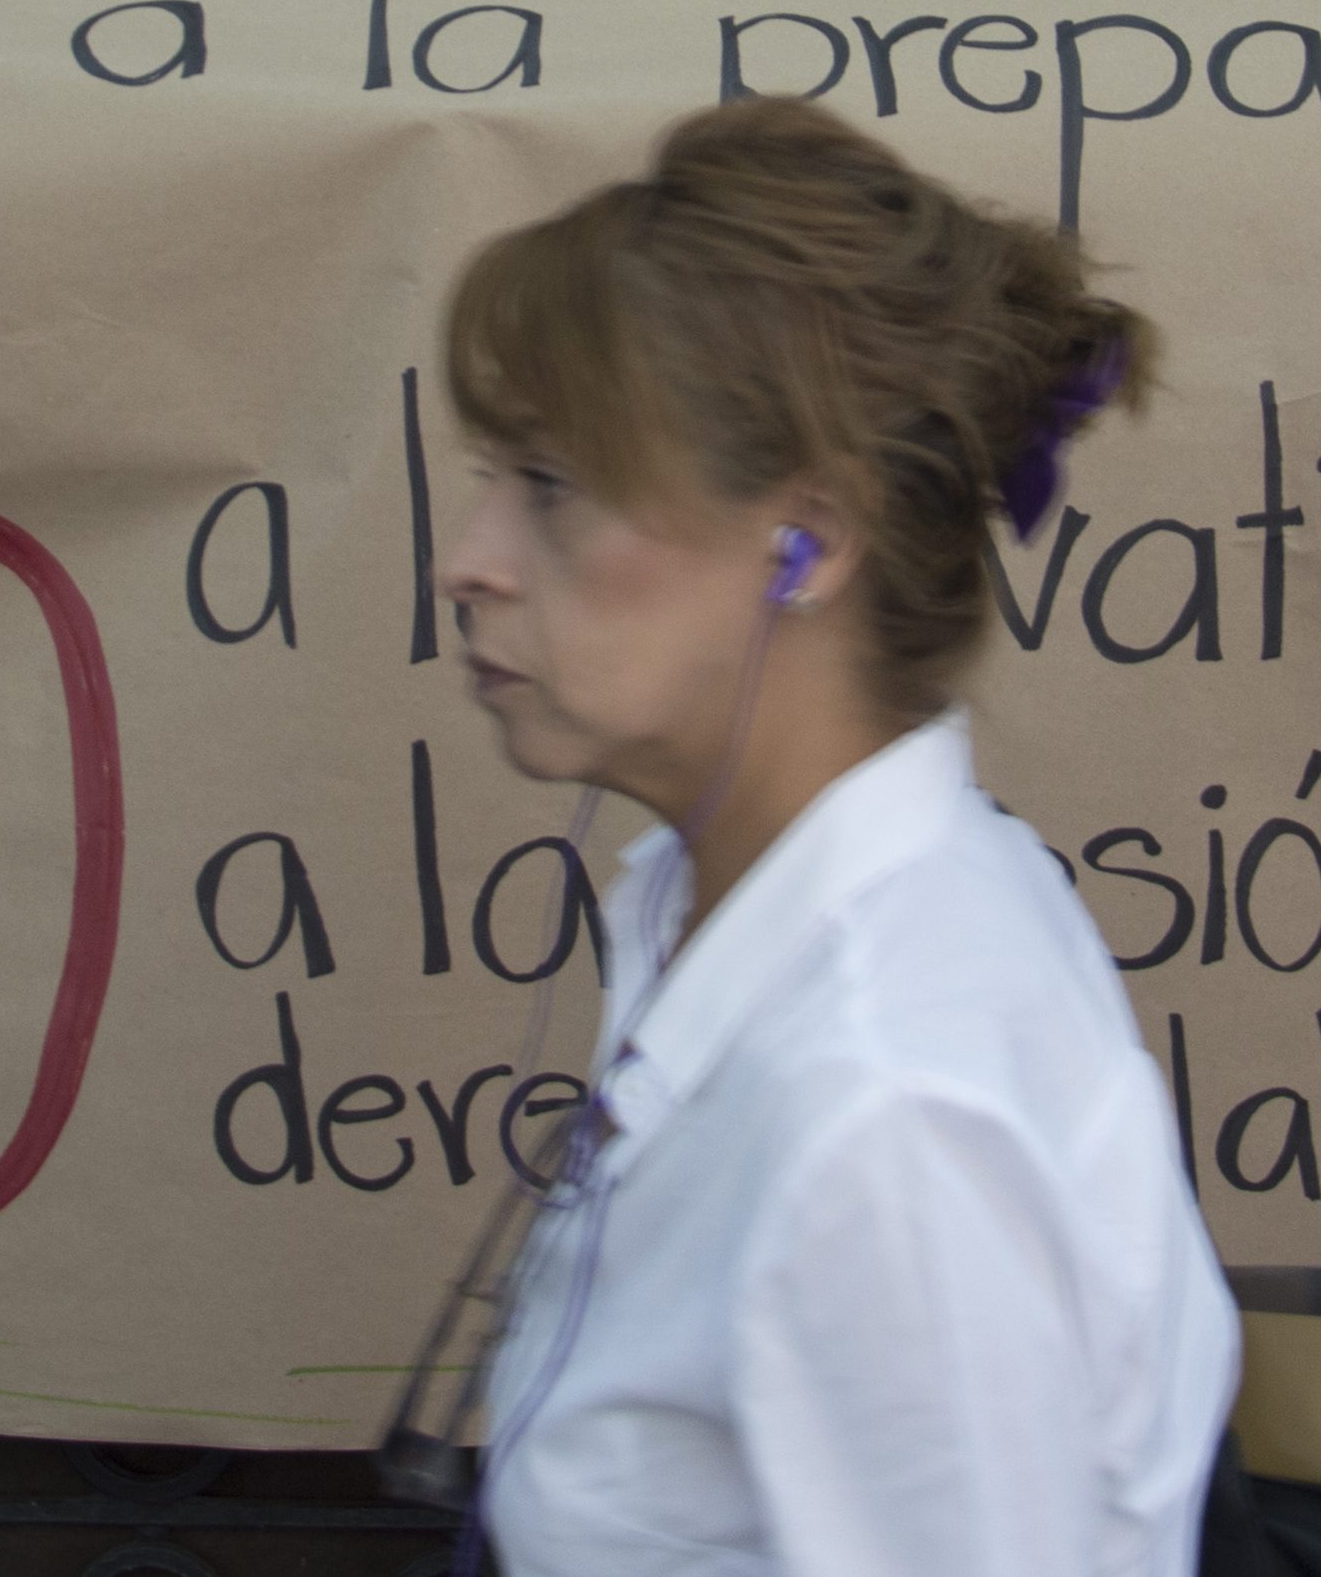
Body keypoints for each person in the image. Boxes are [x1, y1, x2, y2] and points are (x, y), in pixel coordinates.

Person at [414, 96, 1240, 1577]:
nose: (465, 561)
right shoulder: (733, 913)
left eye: (550, 485)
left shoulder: (881, 1119)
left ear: (809, 538)